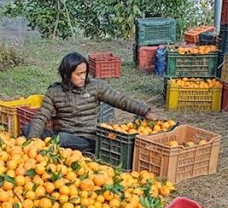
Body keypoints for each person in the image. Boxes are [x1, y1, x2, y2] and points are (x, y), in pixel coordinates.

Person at [23, 52, 159, 153]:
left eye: (85, 73)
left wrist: (145, 111)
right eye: (78, 74)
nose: (83, 77)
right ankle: (49, 147)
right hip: (64, 133)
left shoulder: (95, 87)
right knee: (28, 129)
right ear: (66, 75)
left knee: (62, 139)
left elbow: (121, 100)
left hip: (88, 137)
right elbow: (42, 117)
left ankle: (77, 148)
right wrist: (32, 140)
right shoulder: (55, 92)